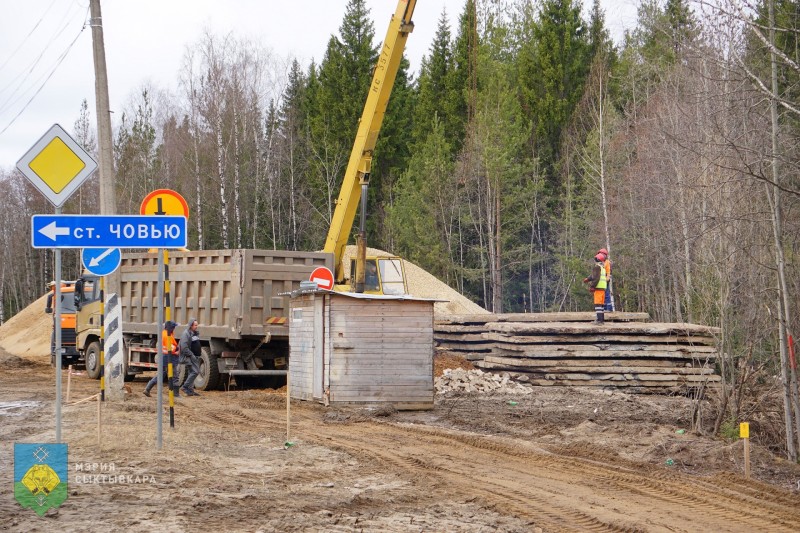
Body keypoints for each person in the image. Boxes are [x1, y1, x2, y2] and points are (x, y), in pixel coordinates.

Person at [143, 320, 180, 397]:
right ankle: (176, 394)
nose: (174, 328)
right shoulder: (167, 336)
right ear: (171, 328)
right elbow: (171, 348)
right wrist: (177, 351)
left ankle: (148, 388)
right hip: (169, 358)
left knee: (160, 375)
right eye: (174, 327)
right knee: (175, 376)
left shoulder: (164, 333)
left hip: (164, 357)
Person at [583, 253, 608, 325]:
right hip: (603, 288)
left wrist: (592, 286)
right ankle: (601, 320)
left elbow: (596, 278)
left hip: (598, 288)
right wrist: (588, 279)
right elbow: (593, 275)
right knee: (601, 305)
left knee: (598, 305)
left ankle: (599, 321)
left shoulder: (597, 267)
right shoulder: (602, 268)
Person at [179, 318, 201, 396]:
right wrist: (191, 355)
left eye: (197, 325)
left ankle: (190, 390)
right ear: (191, 325)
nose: (196, 326)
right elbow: (184, 347)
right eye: (195, 325)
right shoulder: (186, 334)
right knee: (195, 371)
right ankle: (185, 387)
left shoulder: (194, 333)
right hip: (191, 356)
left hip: (195, 356)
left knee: (191, 372)